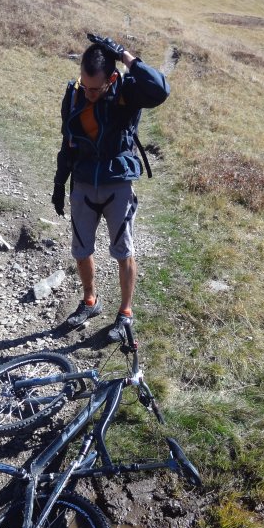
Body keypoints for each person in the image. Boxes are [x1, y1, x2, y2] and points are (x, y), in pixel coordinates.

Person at [52, 33, 170, 341]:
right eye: (85, 85)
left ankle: (125, 312)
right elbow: (68, 142)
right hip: (83, 183)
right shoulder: (75, 94)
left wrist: (126, 55)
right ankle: (90, 300)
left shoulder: (127, 92)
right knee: (81, 249)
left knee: (123, 250)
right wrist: (59, 182)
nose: (89, 93)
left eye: (96, 88)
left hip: (118, 183)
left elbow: (159, 89)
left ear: (112, 77)